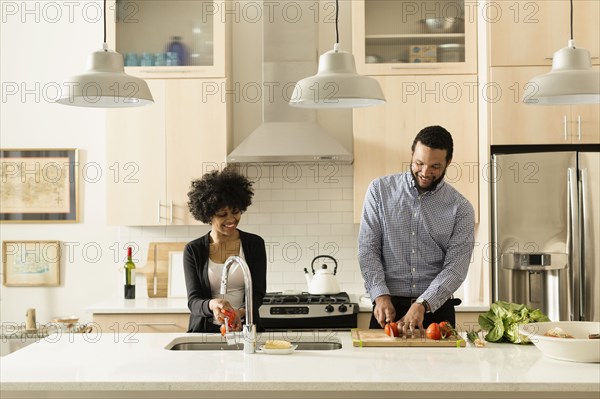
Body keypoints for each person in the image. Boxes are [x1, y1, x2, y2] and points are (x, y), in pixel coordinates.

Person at [358, 125, 475, 337]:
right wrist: (380, 295)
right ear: (412, 154)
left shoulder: (461, 208)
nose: (425, 172)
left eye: (435, 166)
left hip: (435, 313)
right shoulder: (379, 191)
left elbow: (456, 267)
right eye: (419, 163)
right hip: (387, 311)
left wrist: (423, 303)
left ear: (448, 162)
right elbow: (368, 249)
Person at [183, 166, 267, 333]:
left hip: (246, 329)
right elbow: (194, 301)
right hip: (205, 331)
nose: (231, 219)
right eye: (222, 214)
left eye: (235, 212)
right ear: (208, 215)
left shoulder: (254, 244)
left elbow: (257, 294)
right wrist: (213, 304)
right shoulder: (193, 250)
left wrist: (239, 313)